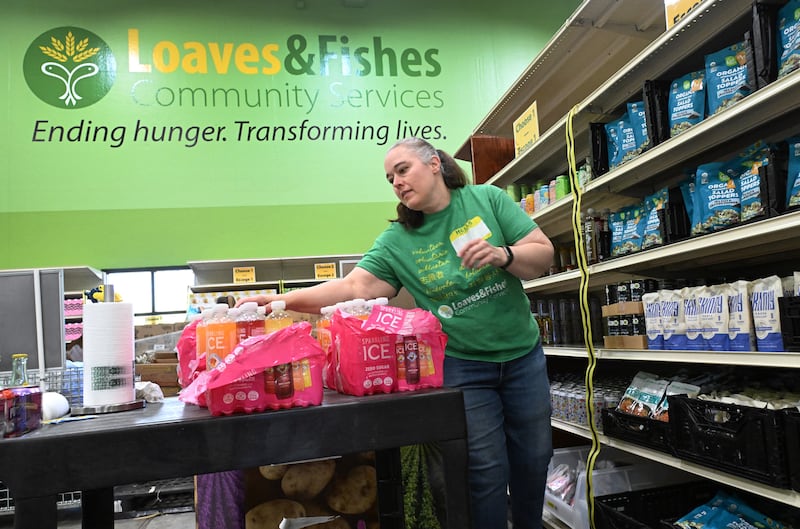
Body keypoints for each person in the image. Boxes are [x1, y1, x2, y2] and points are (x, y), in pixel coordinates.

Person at [237, 137, 555, 529]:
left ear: (435, 163)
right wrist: (280, 301)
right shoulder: (398, 241)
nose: (397, 183)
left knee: (535, 457)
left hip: (522, 355)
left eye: (403, 170)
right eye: (390, 178)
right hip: (464, 365)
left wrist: (504, 255)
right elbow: (353, 288)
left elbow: (541, 254)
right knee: (485, 468)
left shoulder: (487, 199)